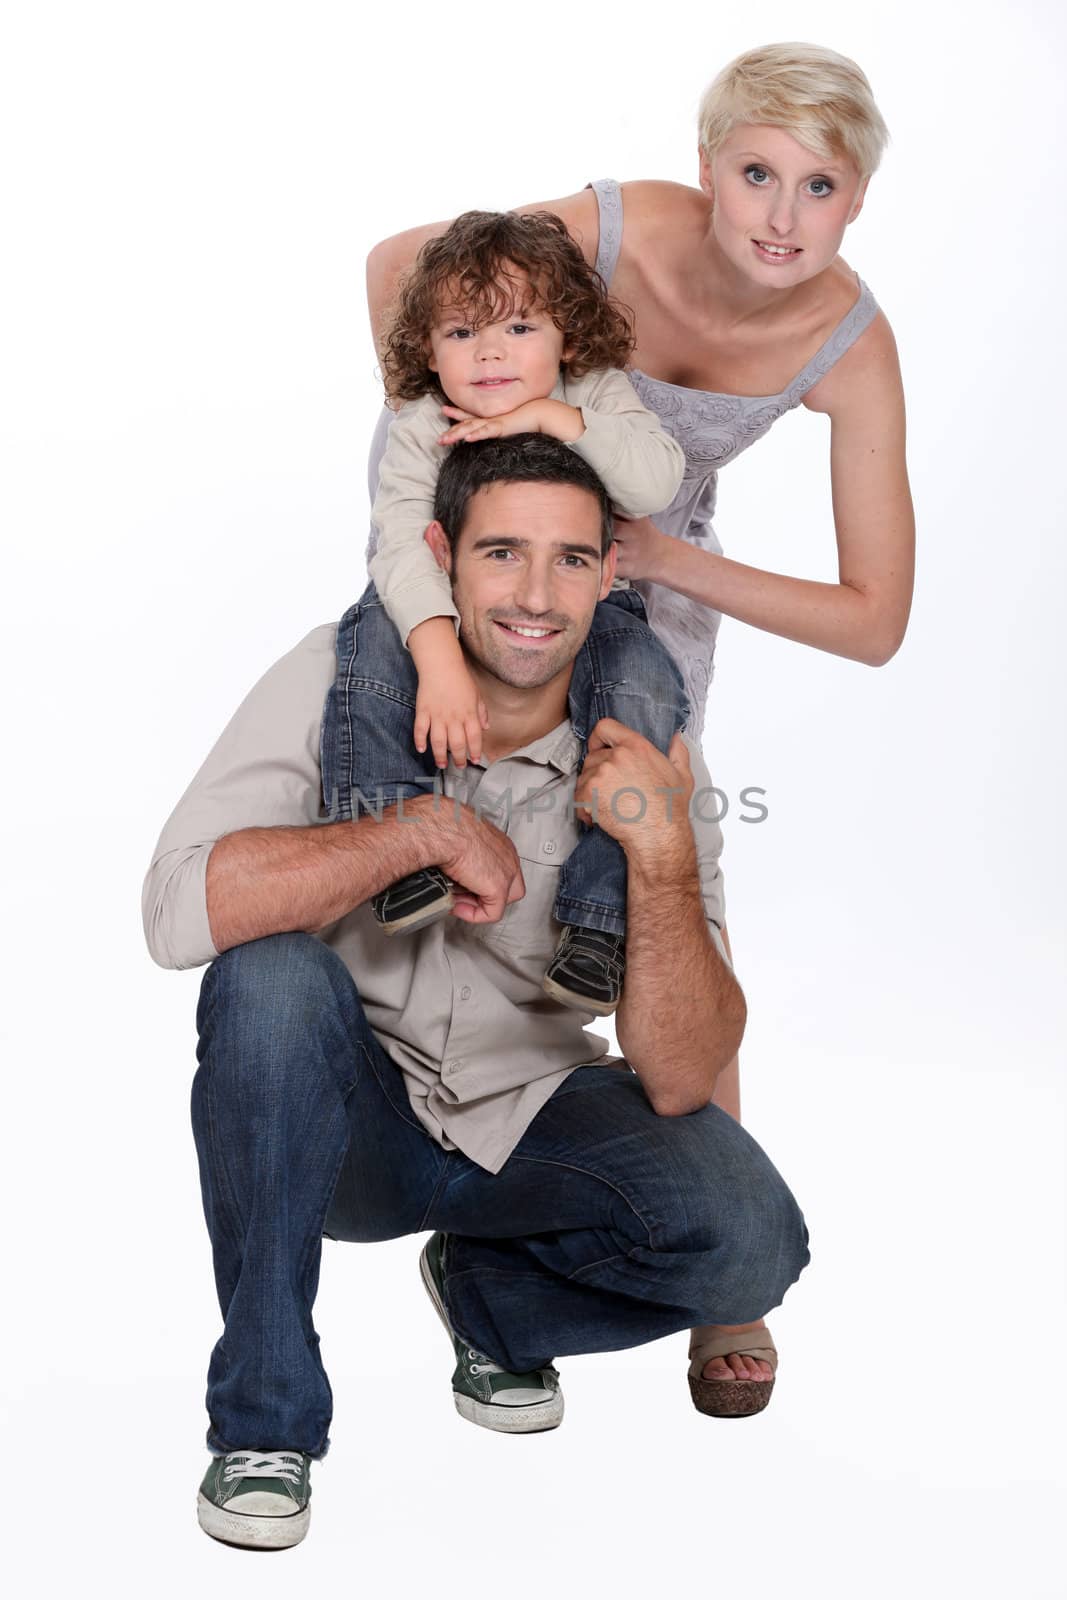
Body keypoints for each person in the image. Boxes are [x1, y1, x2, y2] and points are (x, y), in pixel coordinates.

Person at [364, 39, 916, 1406]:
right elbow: (397, 266)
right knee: (411, 746)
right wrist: (473, 455)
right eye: (753, 175)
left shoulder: (848, 342)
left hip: (645, 582)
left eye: (819, 186)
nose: (780, 215)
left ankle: (722, 1277)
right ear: (704, 169)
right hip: (498, 546)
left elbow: (870, 618)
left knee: (670, 860)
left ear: (855, 200)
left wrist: (662, 560)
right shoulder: (611, 228)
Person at [142, 436, 811, 1550]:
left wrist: (659, 857)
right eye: (503, 553)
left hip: (532, 1124)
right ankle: (264, 1424)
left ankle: (492, 1299)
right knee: (264, 974)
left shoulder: (650, 744)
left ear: (609, 575)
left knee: (751, 1242)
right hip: (348, 1125)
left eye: (568, 561)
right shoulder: (337, 680)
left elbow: (683, 1070)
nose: (535, 597)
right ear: (441, 555)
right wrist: (421, 825)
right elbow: (175, 912)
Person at [345, 208, 689, 1017]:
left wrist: (554, 419)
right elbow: (396, 544)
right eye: (462, 333)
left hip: (578, 603)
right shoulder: (424, 420)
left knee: (643, 684)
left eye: (519, 327)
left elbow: (653, 483)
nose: (491, 352)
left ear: (566, 338)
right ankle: (400, 849)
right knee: (365, 649)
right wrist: (436, 659)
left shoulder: (595, 392)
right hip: (444, 596)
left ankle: (598, 923)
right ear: (428, 352)